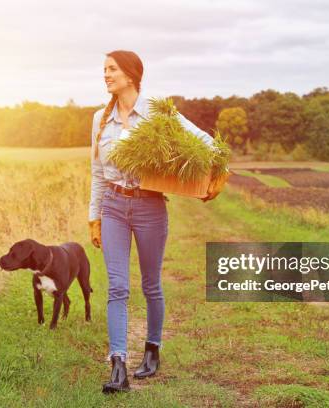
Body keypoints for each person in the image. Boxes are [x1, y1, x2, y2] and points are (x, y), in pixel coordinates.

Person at [88, 50, 227, 394]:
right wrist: (94, 216)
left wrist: (216, 175)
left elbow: (205, 141)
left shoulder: (156, 110)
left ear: (132, 75)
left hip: (150, 208)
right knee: (118, 287)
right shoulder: (100, 119)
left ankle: (152, 350)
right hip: (114, 207)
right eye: (104, 70)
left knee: (151, 284)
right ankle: (118, 365)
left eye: (112, 69)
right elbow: (97, 172)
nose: (105, 75)